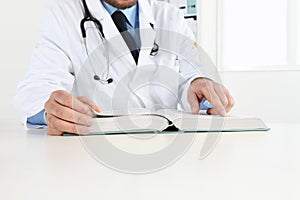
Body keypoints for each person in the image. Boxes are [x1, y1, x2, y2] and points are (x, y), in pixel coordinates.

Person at [15, 0, 234, 136]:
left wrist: (201, 87)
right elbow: (38, 88)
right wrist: (51, 110)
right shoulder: (62, 14)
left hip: (164, 150)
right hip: (89, 158)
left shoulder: (169, 16)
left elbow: (192, 76)